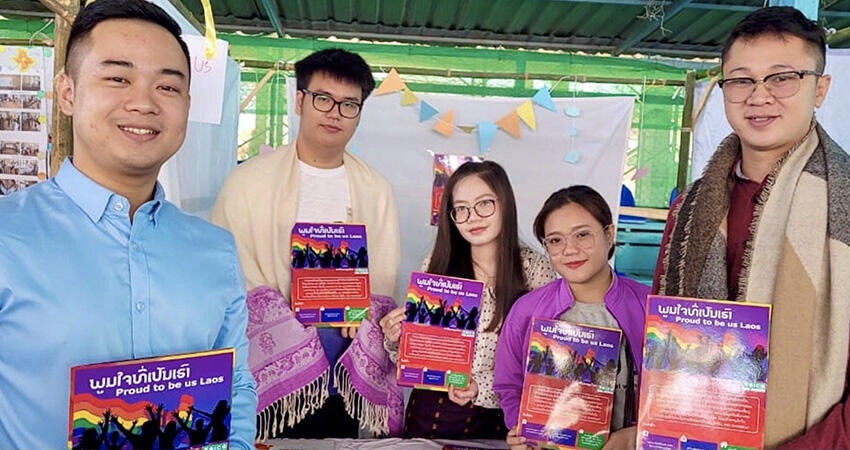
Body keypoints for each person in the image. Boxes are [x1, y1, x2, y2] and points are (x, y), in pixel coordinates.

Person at [0, 1, 256, 447]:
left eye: (167, 86)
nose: (143, 103)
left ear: (186, 105)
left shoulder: (215, 249)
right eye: (118, 78)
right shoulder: (8, 235)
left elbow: (236, 386)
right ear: (67, 93)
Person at [652, 7, 850, 447]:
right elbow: (663, 344)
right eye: (741, 80)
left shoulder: (845, 207)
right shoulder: (688, 210)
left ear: (820, 89)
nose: (759, 97)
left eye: (782, 78)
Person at [212, 48, 401, 438]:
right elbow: (228, 269)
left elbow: (383, 277)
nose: (335, 113)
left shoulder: (377, 190)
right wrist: (285, 324)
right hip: (268, 360)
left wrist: (362, 312)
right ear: (300, 101)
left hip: (343, 355)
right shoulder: (247, 182)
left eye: (349, 104)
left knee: (337, 442)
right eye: (323, 99)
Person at [380, 161, 557, 439]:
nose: (472, 217)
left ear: (505, 204)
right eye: (461, 209)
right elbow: (419, 356)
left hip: (499, 422)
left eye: (484, 203)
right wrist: (396, 338)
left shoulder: (534, 270)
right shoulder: (437, 264)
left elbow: (542, 363)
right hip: (430, 414)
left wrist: (480, 387)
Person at [493, 186, 649, 450]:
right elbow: (509, 385)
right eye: (556, 240)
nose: (569, 249)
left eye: (582, 235)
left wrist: (634, 436)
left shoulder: (650, 307)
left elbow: (673, 401)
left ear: (609, 234)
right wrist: (521, 430)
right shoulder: (526, 310)